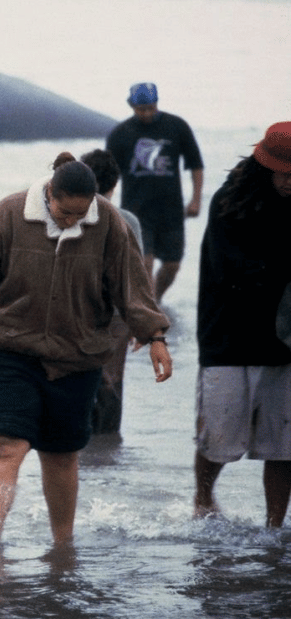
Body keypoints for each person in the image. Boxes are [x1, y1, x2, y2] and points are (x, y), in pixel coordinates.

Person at [0, 156, 172, 550]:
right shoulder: (9, 213)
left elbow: (132, 284)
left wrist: (155, 336)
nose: (72, 221)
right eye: (65, 213)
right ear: (50, 193)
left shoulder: (109, 222)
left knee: (61, 454)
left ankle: (63, 543)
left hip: (77, 355)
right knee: (3, 444)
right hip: (8, 347)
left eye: (81, 214)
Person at [193, 121, 291, 527]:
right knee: (217, 437)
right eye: (285, 173)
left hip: (285, 342)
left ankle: (274, 524)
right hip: (228, 335)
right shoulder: (228, 203)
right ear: (264, 166)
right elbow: (235, 269)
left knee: (285, 444)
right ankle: (202, 498)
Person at [105, 82, 204, 303]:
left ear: (157, 103)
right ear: (131, 105)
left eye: (151, 107)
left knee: (172, 266)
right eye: (142, 109)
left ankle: (155, 302)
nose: (147, 113)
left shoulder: (177, 127)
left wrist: (196, 200)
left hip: (171, 210)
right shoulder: (120, 134)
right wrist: (105, 204)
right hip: (136, 211)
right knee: (145, 264)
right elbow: (109, 174)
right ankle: (149, 313)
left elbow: (195, 164)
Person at [83, 148, 143, 435]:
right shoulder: (128, 220)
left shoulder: (70, 215)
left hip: (77, 309)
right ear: (114, 185)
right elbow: (136, 275)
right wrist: (139, 321)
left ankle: (79, 444)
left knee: (77, 377)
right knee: (111, 380)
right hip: (117, 315)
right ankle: (107, 443)